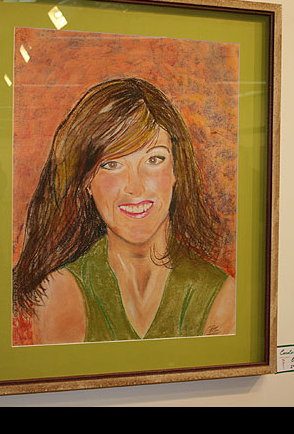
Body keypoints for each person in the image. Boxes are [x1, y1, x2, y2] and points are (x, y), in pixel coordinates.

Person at [12, 77, 235, 344]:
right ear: (86, 181)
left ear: (176, 171)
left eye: (154, 159)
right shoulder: (59, 292)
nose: (135, 187)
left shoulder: (221, 294)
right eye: (112, 164)